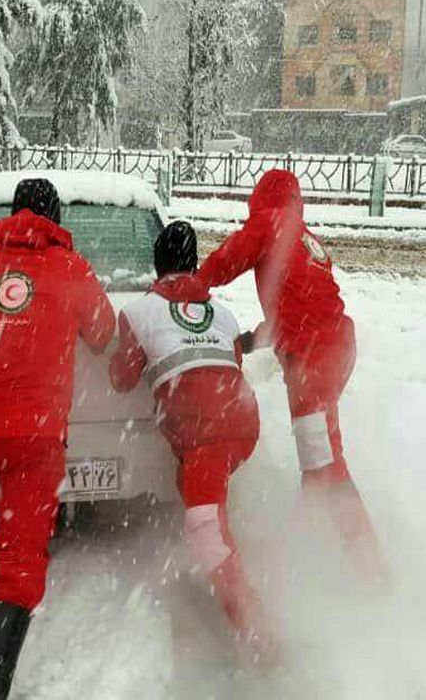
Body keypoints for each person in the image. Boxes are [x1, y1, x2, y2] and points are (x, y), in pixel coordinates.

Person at [0, 178, 115, 700]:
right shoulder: (70, 268)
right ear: (54, 219)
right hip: (36, 428)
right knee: (23, 555)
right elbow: (104, 331)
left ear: (13, 211)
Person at [195, 170, 382, 578]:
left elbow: (228, 259)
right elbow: (297, 312)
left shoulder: (270, 222)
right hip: (333, 350)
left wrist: (194, 285)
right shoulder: (303, 236)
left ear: (261, 198)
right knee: (319, 459)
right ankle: (313, 538)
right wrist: (248, 341)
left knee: (326, 465)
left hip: (312, 361)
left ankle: (369, 566)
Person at [109, 221, 277, 664]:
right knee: (204, 494)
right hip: (242, 425)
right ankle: (228, 559)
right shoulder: (222, 313)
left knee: (205, 532)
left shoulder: (139, 311)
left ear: (157, 266)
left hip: (203, 433)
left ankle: (261, 640)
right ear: (193, 265)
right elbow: (229, 363)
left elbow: (122, 378)